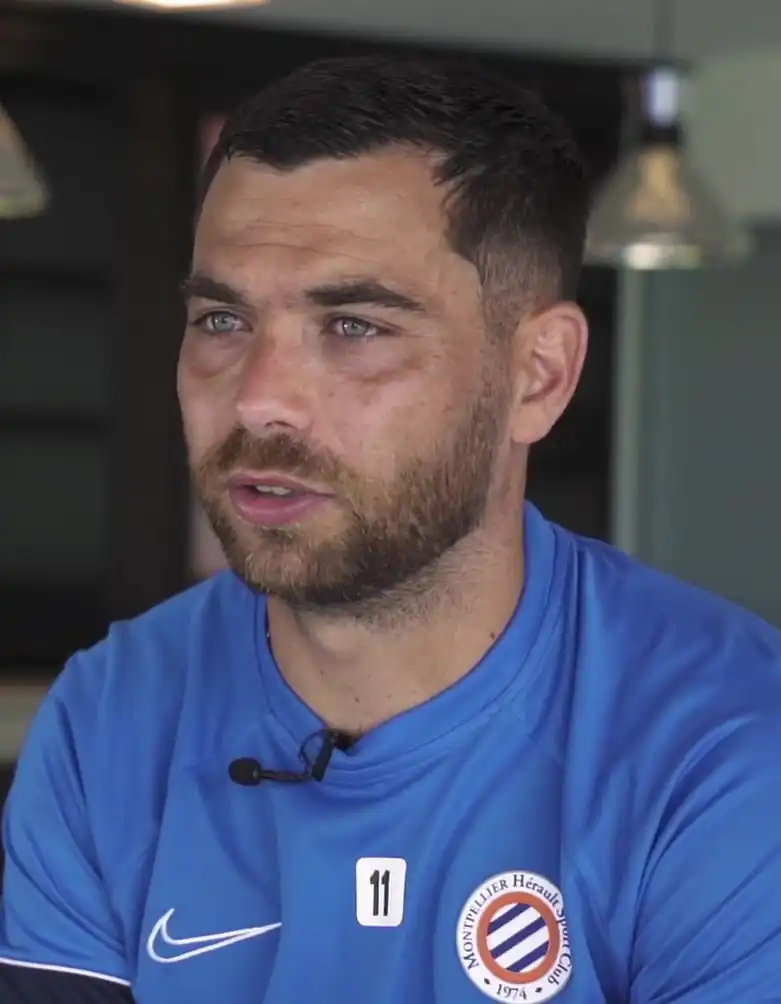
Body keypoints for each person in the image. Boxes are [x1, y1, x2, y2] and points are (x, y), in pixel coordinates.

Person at [2, 52, 781, 1004]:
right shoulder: (114, 715)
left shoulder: (730, 744)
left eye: (354, 327)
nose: (258, 400)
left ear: (537, 376)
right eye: (222, 320)